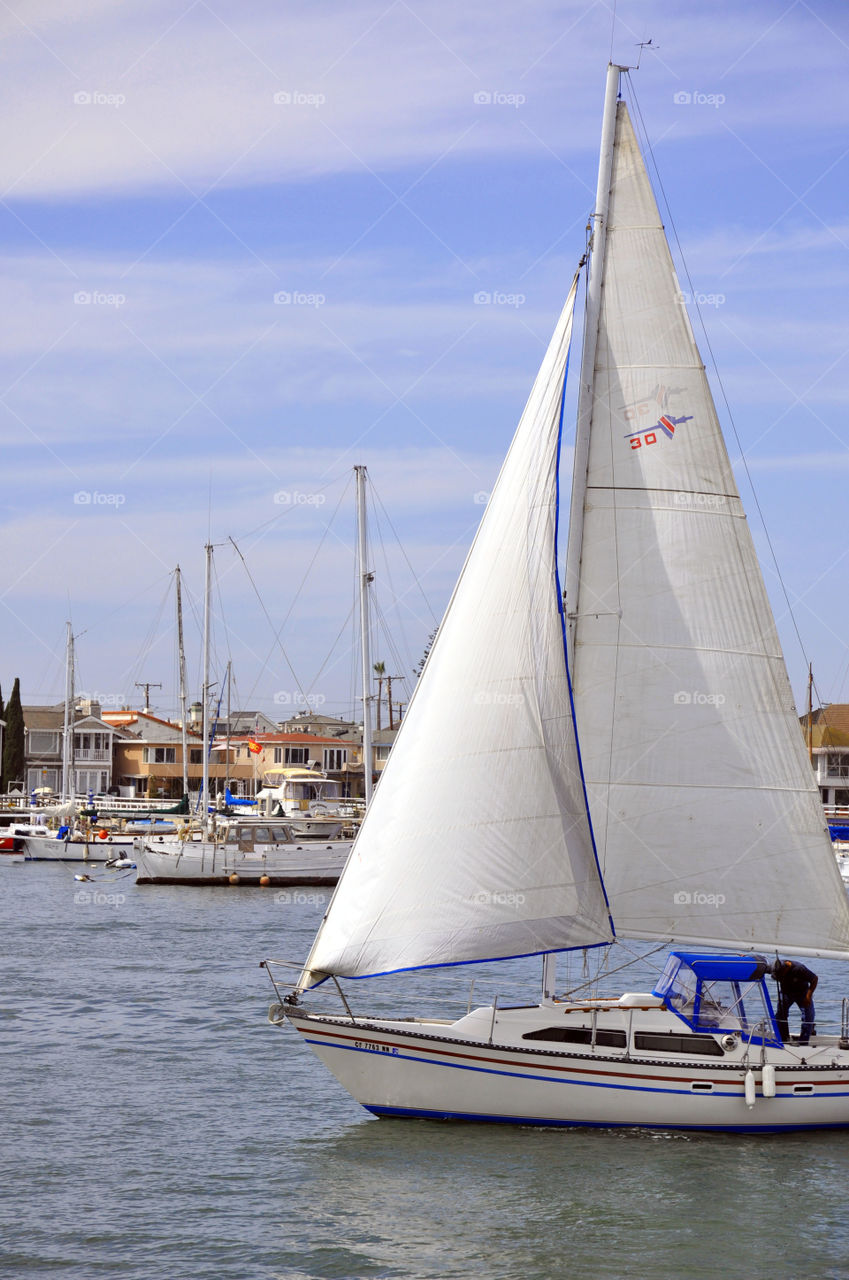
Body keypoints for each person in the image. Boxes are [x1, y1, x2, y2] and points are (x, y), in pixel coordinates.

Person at [772, 958, 818, 1045]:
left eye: (781, 975)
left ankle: (803, 1041)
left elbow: (814, 979)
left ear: (786, 968)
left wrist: (808, 996)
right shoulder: (775, 967)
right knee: (780, 1014)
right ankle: (784, 1039)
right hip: (786, 993)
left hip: (802, 993)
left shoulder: (799, 968)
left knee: (809, 1015)